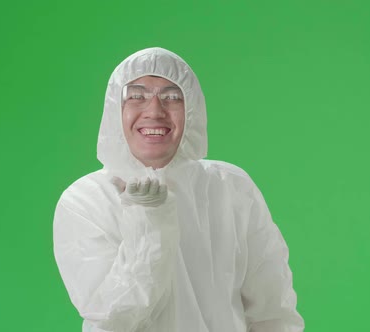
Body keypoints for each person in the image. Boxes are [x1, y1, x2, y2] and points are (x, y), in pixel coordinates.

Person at [53, 47, 304, 332]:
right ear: (114, 109)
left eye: (172, 97)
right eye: (136, 96)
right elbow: (113, 315)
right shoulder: (86, 201)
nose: (154, 111)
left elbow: (273, 310)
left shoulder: (230, 188)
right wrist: (147, 220)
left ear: (192, 109)